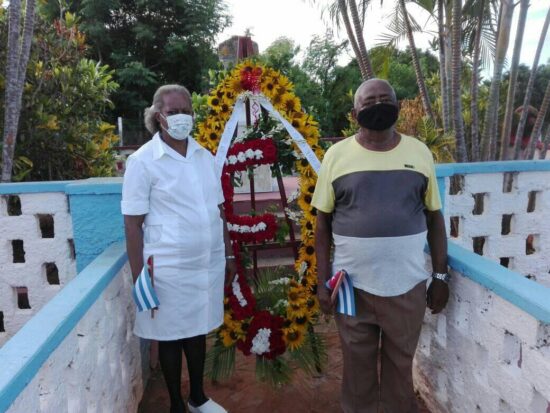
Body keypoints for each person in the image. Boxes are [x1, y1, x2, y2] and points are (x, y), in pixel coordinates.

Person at [312, 79, 449, 413]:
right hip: (353, 288)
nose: (378, 105)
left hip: (407, 287)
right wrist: (321, 282)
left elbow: (434, 218)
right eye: (369, 101)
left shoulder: (419, 152)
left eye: (385, 99)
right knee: (357, 373)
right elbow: (322, 223)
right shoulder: (336, 155)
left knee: (400, 371)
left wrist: (441, 277)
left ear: (398, 106)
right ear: (355, 112)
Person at [121, 84, 236, 413]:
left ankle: (197, 397)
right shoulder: (143, 162)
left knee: (197, 329)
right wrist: (139, 276)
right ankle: (175, 405)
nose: (183, 116)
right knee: (170, 335)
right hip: (167, 267)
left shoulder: (203, 156)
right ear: (159, 117)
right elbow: (132, 224)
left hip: (206, 263)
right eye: (174, 112)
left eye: (187, 110)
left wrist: (227, 254)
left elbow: (219, 210)